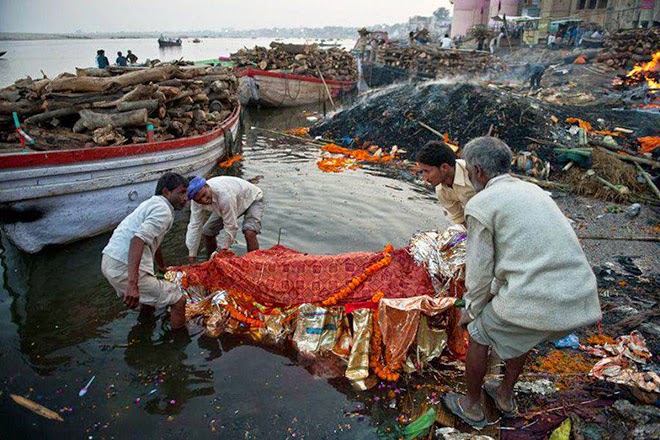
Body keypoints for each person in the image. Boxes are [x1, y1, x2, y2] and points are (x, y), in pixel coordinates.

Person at [443, 137, 601, 428]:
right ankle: (504, 396)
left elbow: (478, 275)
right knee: (522, 326)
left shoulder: (481, 204)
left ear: (477, 170)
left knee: (479, 332)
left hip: (539, 300)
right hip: (578, 298)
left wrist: (472, 310)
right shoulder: (535, 190)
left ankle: (472, 406)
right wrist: (493, 294)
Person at [101, 172, 189, 330]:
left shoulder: (153, 204)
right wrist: (132, 284)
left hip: (110, 259)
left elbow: (154, 240)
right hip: (123, 266)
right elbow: (138, 240)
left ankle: (143, 328)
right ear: (166, 192)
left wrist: (161, 267)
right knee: (178, 300)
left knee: (150, 300)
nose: (186, 198)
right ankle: (178, 345)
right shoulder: (163, 211)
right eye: (181, 193)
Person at [186, 176, 265, 263]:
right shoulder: (196, 201)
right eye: (199, 200)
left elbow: (231, 226)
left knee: (249, 231)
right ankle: (211, 260)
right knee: (207, 231)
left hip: (252, 198)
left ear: (207, 186)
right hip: (227, 204)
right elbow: (195, 225)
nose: (204, 200)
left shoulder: (224, 195)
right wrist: (192, 255)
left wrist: (224, 250)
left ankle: (255, 263)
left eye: (204, 195)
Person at [416, 141, 476, 226]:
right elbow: (459, 218)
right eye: (422, 171)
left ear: (444, 168)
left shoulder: (474, 173)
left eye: (427, 171)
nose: (424, 178)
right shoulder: (441, 191)